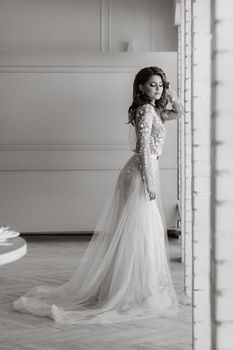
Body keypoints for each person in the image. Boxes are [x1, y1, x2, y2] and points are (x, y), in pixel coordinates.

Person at [13, 66, 184, 325]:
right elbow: (144, 149)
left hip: (145, 170)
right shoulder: (146, 110)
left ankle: (137, 286)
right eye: (152, 84)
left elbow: (179, 113)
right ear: (140, 87)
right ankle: (129, 290)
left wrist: (167, 91)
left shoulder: (155, 109)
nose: (157, 88)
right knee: (137, 231)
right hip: (141, 172)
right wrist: (150, 182)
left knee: (141, 231)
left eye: (160, 84)